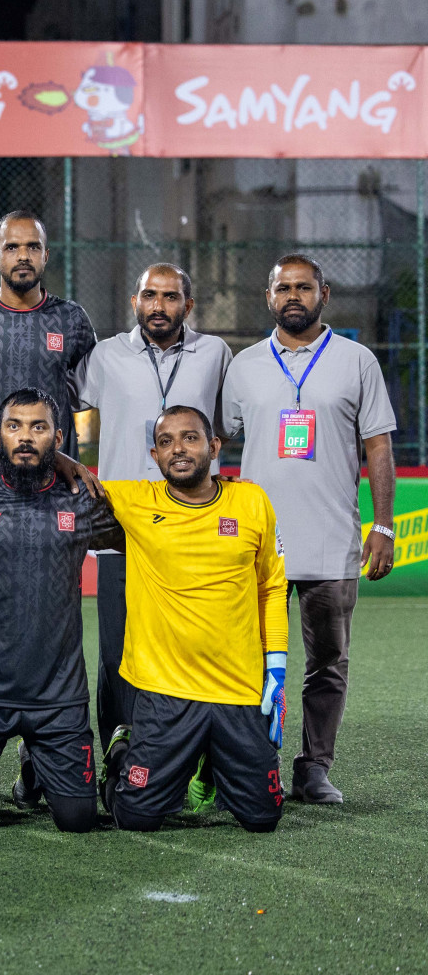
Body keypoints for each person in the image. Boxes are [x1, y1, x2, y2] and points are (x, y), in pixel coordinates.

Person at [220, 254, 397, 805]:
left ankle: (314, 767)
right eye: (282, 288)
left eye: (303, 287)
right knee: (245, 661)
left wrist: (384, 526)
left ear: (325, 294)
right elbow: (217, 441)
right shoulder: (243, 365)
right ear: (268, 296)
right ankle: (252, 764)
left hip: (330, 540)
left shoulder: (357, 360)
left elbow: (378, 445)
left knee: (327, 663)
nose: (292, 296)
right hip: (255, 546)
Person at [0, 388, 118, 834]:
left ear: (58, 437)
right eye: (14, 427)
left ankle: (38, 762)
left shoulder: (81, 499)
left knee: (78, 820)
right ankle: (26, 761)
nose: (26, 437)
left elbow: (143, 531)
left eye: (39, 427)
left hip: (57, 698)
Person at [99, 405, 288, 834]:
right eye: (166, 442)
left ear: (214, 446)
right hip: (166, 691)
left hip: (237, 688)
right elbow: (67, 479)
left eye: (190, 438)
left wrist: (275, 669)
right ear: (154, 454)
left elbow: (272, 587)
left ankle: (208, 759)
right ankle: (123, 748)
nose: (178, 449)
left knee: (263, 817)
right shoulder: (136, 500)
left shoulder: (251, 501)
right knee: (136, 817)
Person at [72, 263, 231, 758]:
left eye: (169, 296)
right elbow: (62, 410)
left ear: (189, 305)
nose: (158, 306)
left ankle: (189, 753)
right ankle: (119, 753)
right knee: (117, 647)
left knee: (189, 643)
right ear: (134, 302)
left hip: (195, 524)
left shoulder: (215, 354)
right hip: (122, 524)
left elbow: (230, 423)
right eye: (148, 295)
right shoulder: (105, 356)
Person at [0, 210, 96, 455]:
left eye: (33, 247)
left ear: (46, 256)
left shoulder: (72, 318)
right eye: (12, 248)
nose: (24, 256)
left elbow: (87, 387)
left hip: (55, 470)